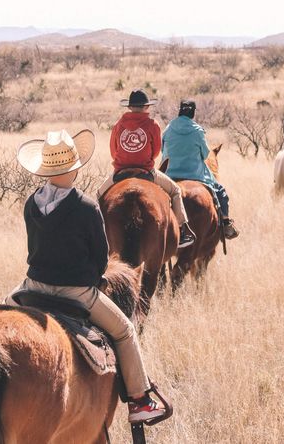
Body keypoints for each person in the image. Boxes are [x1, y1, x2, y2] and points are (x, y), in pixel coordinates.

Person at [10, 128, 167, 423]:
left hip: (32, 286)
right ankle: (139, 401)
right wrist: (96, 278)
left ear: (44, 169)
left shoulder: (31, 203)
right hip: (77, 292)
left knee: (2, 316)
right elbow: (99, 257)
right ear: (75, 168)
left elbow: (33, 249)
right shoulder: (85, 205)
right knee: (124, 331)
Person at [97, 90, 196, 248]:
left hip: (120, 172)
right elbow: (156, 151)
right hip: (146, 171)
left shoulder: (118, 125)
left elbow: (113, 151)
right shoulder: (152, 124)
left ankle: (97, 233)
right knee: (176, 190)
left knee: (99, 195)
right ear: (145, 107)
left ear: (130, 107)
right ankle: (182, 230)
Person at [162, 99, 239, 239]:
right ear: (193, 112)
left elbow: (163, 151)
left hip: (170, 175)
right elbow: (205, 155)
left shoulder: (168, 129)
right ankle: (226, 222)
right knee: (220, 191)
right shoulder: (198, 131)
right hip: (195, 174)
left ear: (179, 111)